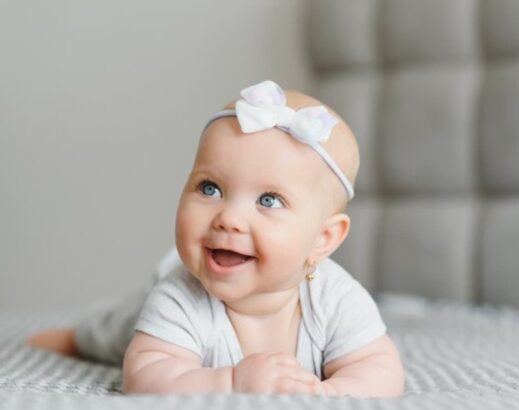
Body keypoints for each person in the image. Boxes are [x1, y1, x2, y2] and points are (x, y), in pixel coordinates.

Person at [27, 80, 404, 398]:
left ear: (323, 240)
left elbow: (380, 368)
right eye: (210, 188)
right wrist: (233, 380)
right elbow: (144, 376)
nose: (229, 218)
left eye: (268, 200)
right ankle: (76, 337)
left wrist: (329, 393)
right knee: (117, 332)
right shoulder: (180, 296)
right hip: (147, 312)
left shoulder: (336, 298)